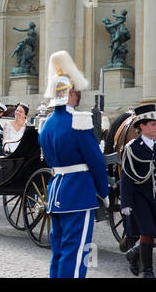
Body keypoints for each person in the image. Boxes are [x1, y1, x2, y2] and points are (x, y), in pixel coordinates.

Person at [38, 50, 109, 278]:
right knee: (76, 254)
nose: (78, 95)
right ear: (68, 93)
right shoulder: (79, 120)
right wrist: (104, 191)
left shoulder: (46, 125)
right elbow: (96, 161)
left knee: (58, 253)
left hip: (55, 192)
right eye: (75, 91)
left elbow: (50, 160)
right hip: (78, 194)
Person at [120, 104, 156, 278]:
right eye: (153, 124)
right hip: (139, 199)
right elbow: (126, 179)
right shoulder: (132, 148)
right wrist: (125, 203)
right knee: (147, 232)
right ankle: (148, 270)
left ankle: (133, 254)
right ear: (142, 126)